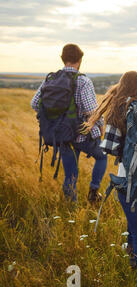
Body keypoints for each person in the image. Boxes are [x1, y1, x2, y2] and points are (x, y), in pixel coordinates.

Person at [84, 71, 137, 287]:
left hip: (128, 178)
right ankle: (134, 264)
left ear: (122, 86)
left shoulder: (119, 109)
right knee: (135, 224)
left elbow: (108, 148)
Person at [31, 43, 107, 204]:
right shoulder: (83, 81)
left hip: (62, 135)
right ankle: (93, 192)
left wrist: (53, 117)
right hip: (83, 136)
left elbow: (34, 103)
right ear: (80, 60)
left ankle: (71, 209)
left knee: (70, 175)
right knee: (102, 157)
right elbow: (91, 110)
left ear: (62, 59)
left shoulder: (51, 78)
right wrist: (100, 126)